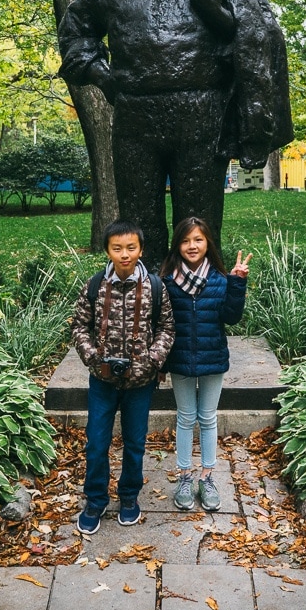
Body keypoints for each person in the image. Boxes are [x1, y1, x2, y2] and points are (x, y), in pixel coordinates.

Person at [58, 0, 292, 270]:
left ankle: (195, 323)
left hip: (201, 113)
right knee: (137, 233)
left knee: (197, 231)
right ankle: (144, 319)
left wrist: (217, 14)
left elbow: (264, 36)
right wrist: (103, 76)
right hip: (135, 118)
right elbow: (74, 31)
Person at [71, 219, 175, 535]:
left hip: (140, 384)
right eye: (117, 248)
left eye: (131, 248)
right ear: (108, 250)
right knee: (97, 442)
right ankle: (96, 499)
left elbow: (167, 329)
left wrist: (150, 360)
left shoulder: (156, 288)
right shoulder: (94, 286)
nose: (124, 254)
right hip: (102, 381)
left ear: (140, 249)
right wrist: (93, 357)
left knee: (134, 443)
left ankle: (128, 497)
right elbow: (78, 326)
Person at [160, 216, 251, 512]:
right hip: (180, 360)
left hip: (213, 358)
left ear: (208, 243)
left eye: (198, 239)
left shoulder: (219, 279)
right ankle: (185, 476)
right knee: (186, 417)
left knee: (208, 418)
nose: (192, 245)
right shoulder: (168, 279)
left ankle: (207, 477)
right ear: (178, 245)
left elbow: (231, 317)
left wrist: (237, 283)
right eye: (186, 240)